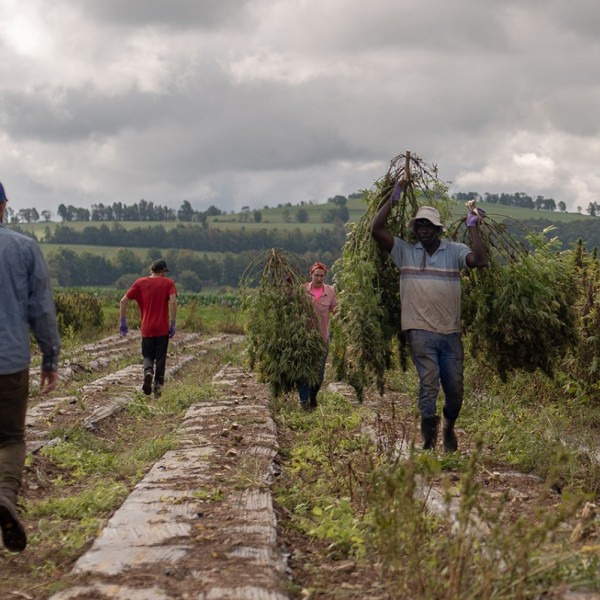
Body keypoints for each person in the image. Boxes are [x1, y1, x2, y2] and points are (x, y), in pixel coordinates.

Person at [371, 184, 487, 451]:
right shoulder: (405, 252)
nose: (423, 229)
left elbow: (480, 260)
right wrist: (392, 200)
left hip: (450, 333)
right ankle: (428, 442)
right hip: (419, 331)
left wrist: (473, 227)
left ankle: (448, 426)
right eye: (419, 225)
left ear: (437, 229)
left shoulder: (455, 252)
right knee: (428, 383)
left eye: (428, 225)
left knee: (455, 390)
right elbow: (376, 230)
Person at [0, 181, 61, 552]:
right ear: (4, 205)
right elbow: (40, 310)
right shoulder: (23, 248)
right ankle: (5, 496)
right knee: (9, 438)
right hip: (9, 361)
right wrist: (50, 357)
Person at [119, 259, 177, 398]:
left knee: (147, 356)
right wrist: (173, 322)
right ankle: (157, 389)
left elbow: (123, 301)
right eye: (164, 272)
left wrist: (123, 320)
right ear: (163, 271)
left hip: (147, 328)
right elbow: (173, 301)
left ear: (152, 270)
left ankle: (148, 372)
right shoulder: (168, 283)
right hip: (162, 328)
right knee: (161, 358)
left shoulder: (140, 283)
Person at [298, 262, 337, 410]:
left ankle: (313, 395)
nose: (319, 278)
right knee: (303, 372)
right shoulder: (302, 290)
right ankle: (304, 402)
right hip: (304, 339)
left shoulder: (330, 291)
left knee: (318, 375)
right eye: (316, 275)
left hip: (322, 339)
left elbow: (335, 308)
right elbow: (291, 303)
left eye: (322, 276)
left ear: (325, 276)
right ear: (311, 275)